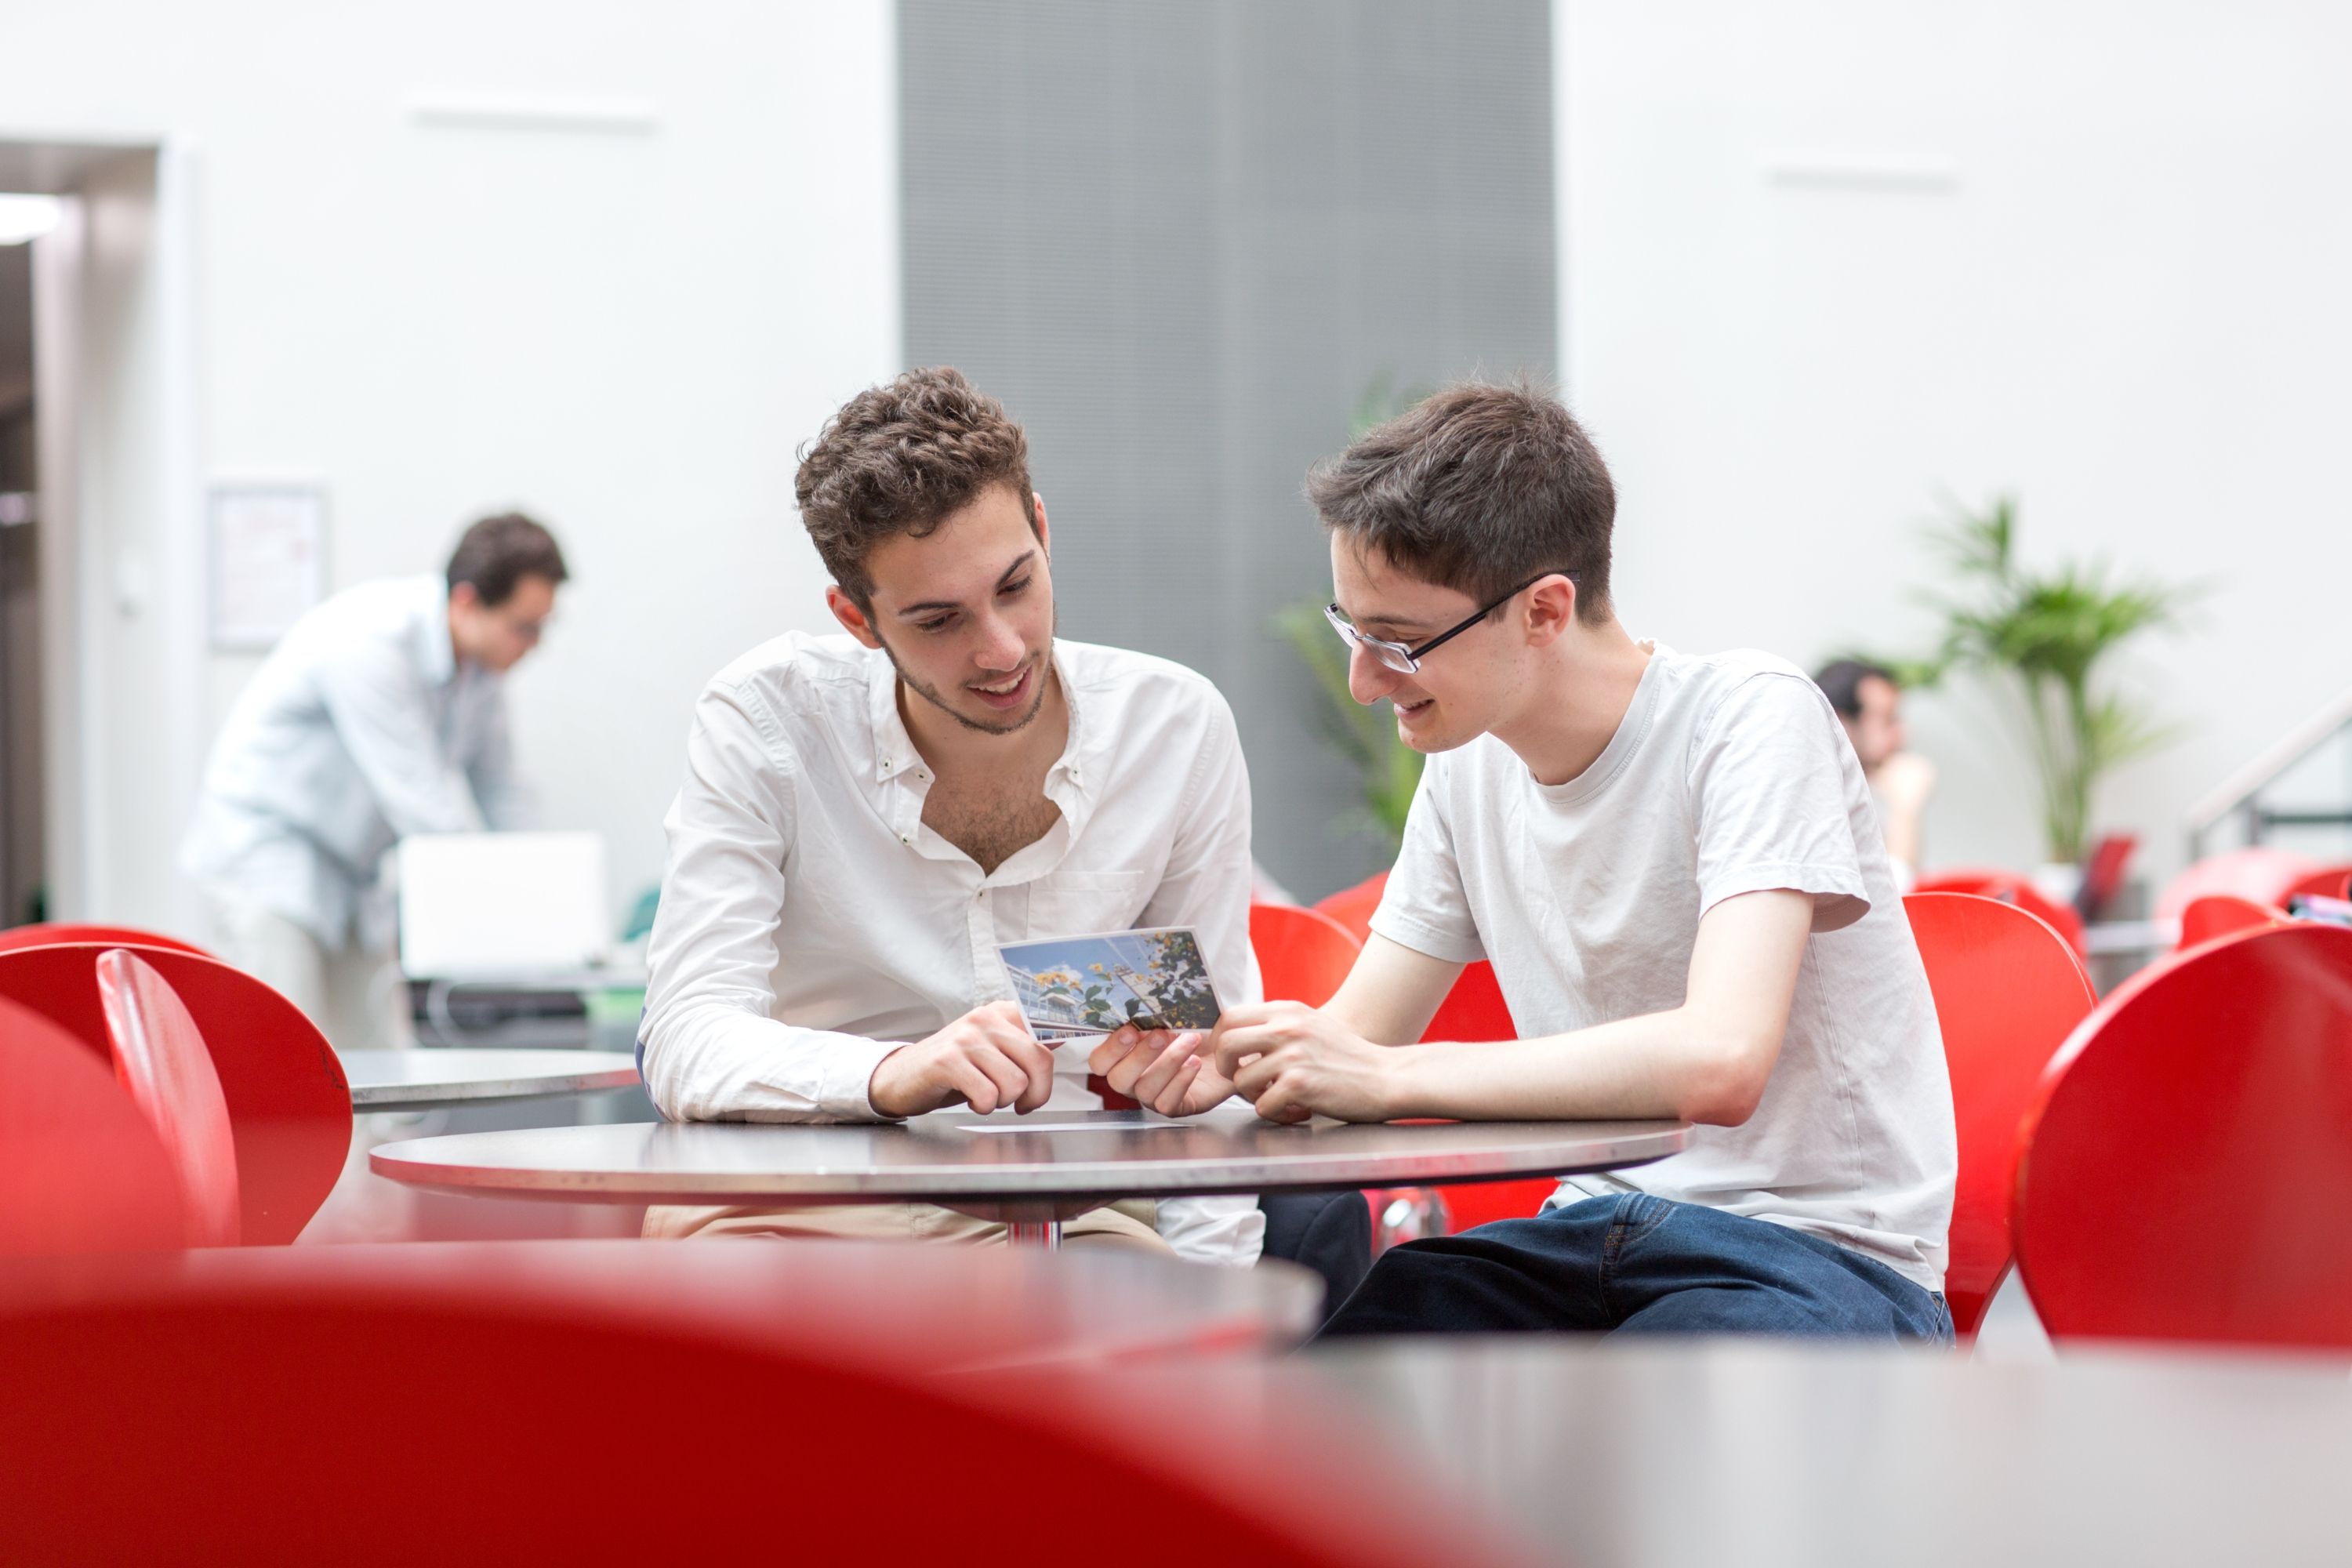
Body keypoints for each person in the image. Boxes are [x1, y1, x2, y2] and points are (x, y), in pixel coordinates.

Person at [1106, 382, 1954, 1338]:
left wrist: (1385, 1078)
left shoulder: (1749, 717)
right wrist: (1241, 1063)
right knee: (1344, 1388)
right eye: (1354, 629)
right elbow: (1359, 1043)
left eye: (1400, 642)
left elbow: (1719, 1058)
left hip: (1812, 1251)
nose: (1363, 679)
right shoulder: (1468, 767)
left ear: (1545, 608)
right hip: (1586, 1236)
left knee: (1666, 1420)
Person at [637, 368, 1264, 1265]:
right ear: (858, 619)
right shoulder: (768, 719)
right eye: (938, 620)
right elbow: (689, 1036)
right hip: (805, 1198)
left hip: (1076, 1212)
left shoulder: (1172, 726)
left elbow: (1212, 1063)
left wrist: (1220, 1295)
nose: (1001, 649)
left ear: (1043, 531)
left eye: (1016, 584)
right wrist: (893, 1073)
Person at [182, 513, 568, 1050]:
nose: (534, 645)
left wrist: (557, 899)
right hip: (268, 856)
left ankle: (376, 1139)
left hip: (351, 874)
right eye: (524, 627)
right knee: (284, 1060)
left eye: (543, 626)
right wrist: (509, 907)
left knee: (380, 1062)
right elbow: (422, 803)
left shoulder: (483, 673)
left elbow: (504, 792)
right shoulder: (368, 640)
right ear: (465, 602)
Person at [1815, 658, 1934, 891]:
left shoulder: (1862, 793)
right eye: (1889, 719)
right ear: (1842, 725)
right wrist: (1905, 809)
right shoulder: (1815, 807)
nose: (1903, 734)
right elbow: (1888, 906)